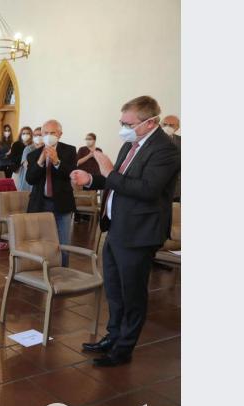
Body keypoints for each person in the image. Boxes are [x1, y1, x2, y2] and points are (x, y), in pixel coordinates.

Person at [73, 96, 180, 367]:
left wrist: (107, 171)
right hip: (117, 226)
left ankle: (123, 349)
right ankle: (112, 336)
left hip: (139, 232)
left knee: (132, 293)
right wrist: (91, 180)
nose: (123, 128)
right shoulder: (131, 144)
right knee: (114, 288)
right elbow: (118, 181)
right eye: (122, 122)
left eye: (128, 123)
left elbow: (147, 189)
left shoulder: (166, 150)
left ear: (150, 122)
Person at [25, 119, 77, 266]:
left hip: (62, 203)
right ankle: (38, 271)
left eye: (52, 133)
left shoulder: (69, 150)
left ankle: (63, 272)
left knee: (63, 244)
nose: (49, 136)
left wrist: (56, 162)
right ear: (42, 134)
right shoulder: (34, 155)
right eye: (46, 133)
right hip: (40, 203)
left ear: (60, 134)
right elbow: (30, 179)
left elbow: (71, 174)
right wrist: (40, 161)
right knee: (39, 242)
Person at [17, 127, 43, 192]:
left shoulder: (46, 148)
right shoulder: (28, 149)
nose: (38, 137)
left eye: (40, 135)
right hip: (28, 180)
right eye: (35, 135)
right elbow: (26, 166)